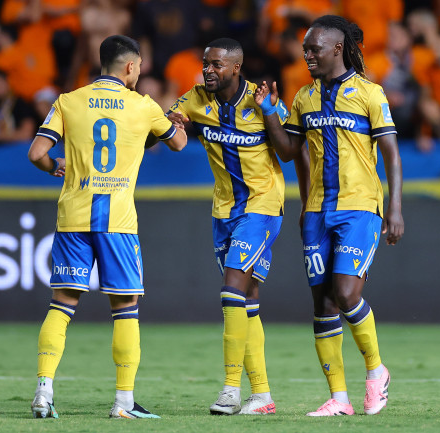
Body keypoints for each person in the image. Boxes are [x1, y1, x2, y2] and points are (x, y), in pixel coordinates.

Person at [27, 34, 187, 420]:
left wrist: (54, 166)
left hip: (73, 219)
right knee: (126, 309)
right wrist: (175, 123)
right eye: (139, 67)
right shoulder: (143, 106)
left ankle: (43, 392)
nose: (139, 73)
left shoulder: (68, 101)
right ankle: (124, 403)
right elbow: (179, 143)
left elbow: (36, 153)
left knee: (61, 305)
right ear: (130, 66)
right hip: (118, 223)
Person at [254, 15, 404, 416]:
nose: (307, 55)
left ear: (337, 48)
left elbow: (391, 152)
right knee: (323, 305)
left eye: (314, 49)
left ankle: (376, 371)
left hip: (360, 209)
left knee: (346, 293)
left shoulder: (369, 93)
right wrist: (269, 111)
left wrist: (394, 208)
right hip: (318, 212)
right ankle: (339, 399)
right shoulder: (304, 97)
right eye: (305, 49)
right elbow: (289, 150)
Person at [166, 37, 289, 415]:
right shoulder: (195, 99)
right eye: (205, 63)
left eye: (216, 64)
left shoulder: (261, 99)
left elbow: (288, 150)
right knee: (247, 300)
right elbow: (170, 131)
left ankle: (231, 390)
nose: (208, 70)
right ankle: (263, 396)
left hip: (262, 206)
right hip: (223, 211)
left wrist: (269, 112)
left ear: (236, 67)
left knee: (231, 289)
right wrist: (171, 124)